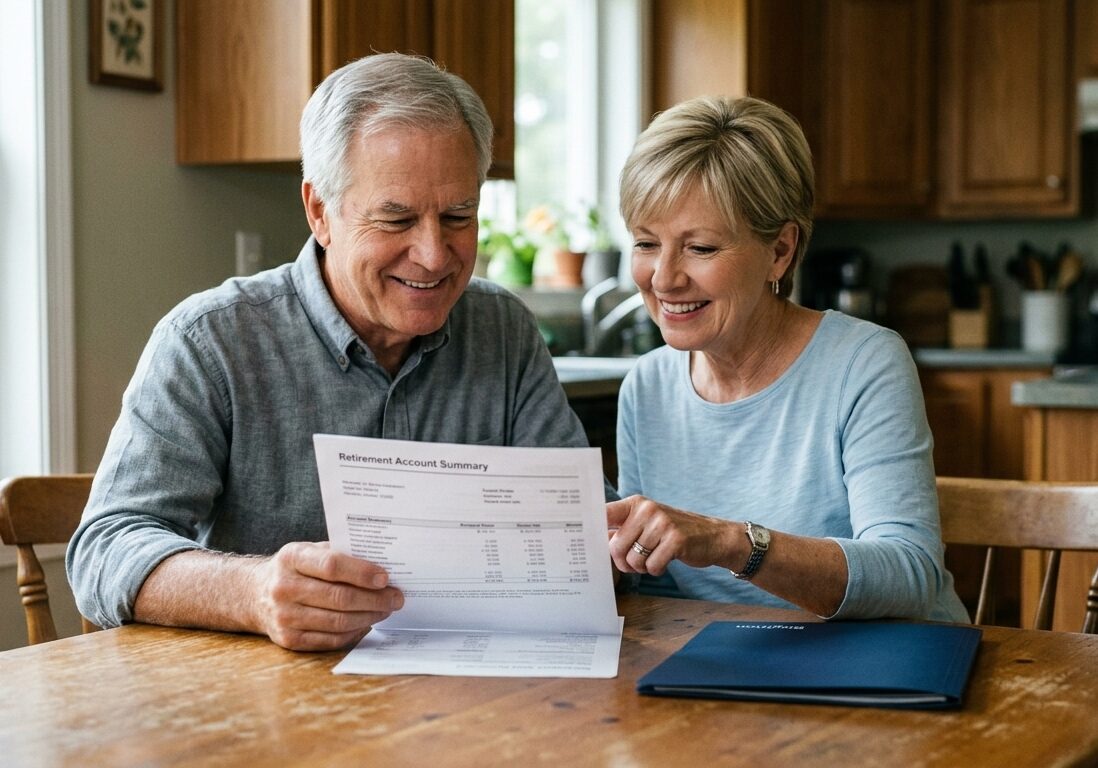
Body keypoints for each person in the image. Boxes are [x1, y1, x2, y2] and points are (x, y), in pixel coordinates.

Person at [67, 53, 598, 651]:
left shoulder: (502, 330)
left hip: (473, 701)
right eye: (396, 220)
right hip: (266, 711)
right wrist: (254, 591)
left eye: (459, 216)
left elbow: (579, 526)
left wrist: (621, 534)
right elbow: (104, 549)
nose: (433, 253)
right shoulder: (210, 341)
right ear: (320, 211)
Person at [606, 95, 969, 623]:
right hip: (729, 672)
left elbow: (910, 574)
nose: (663, 278)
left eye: (700, 248)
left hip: (884, 673)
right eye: (645, 243)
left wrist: (731, 542)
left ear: (780, 250)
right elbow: (655, 588)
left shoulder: (863, 363)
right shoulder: (647, 386)